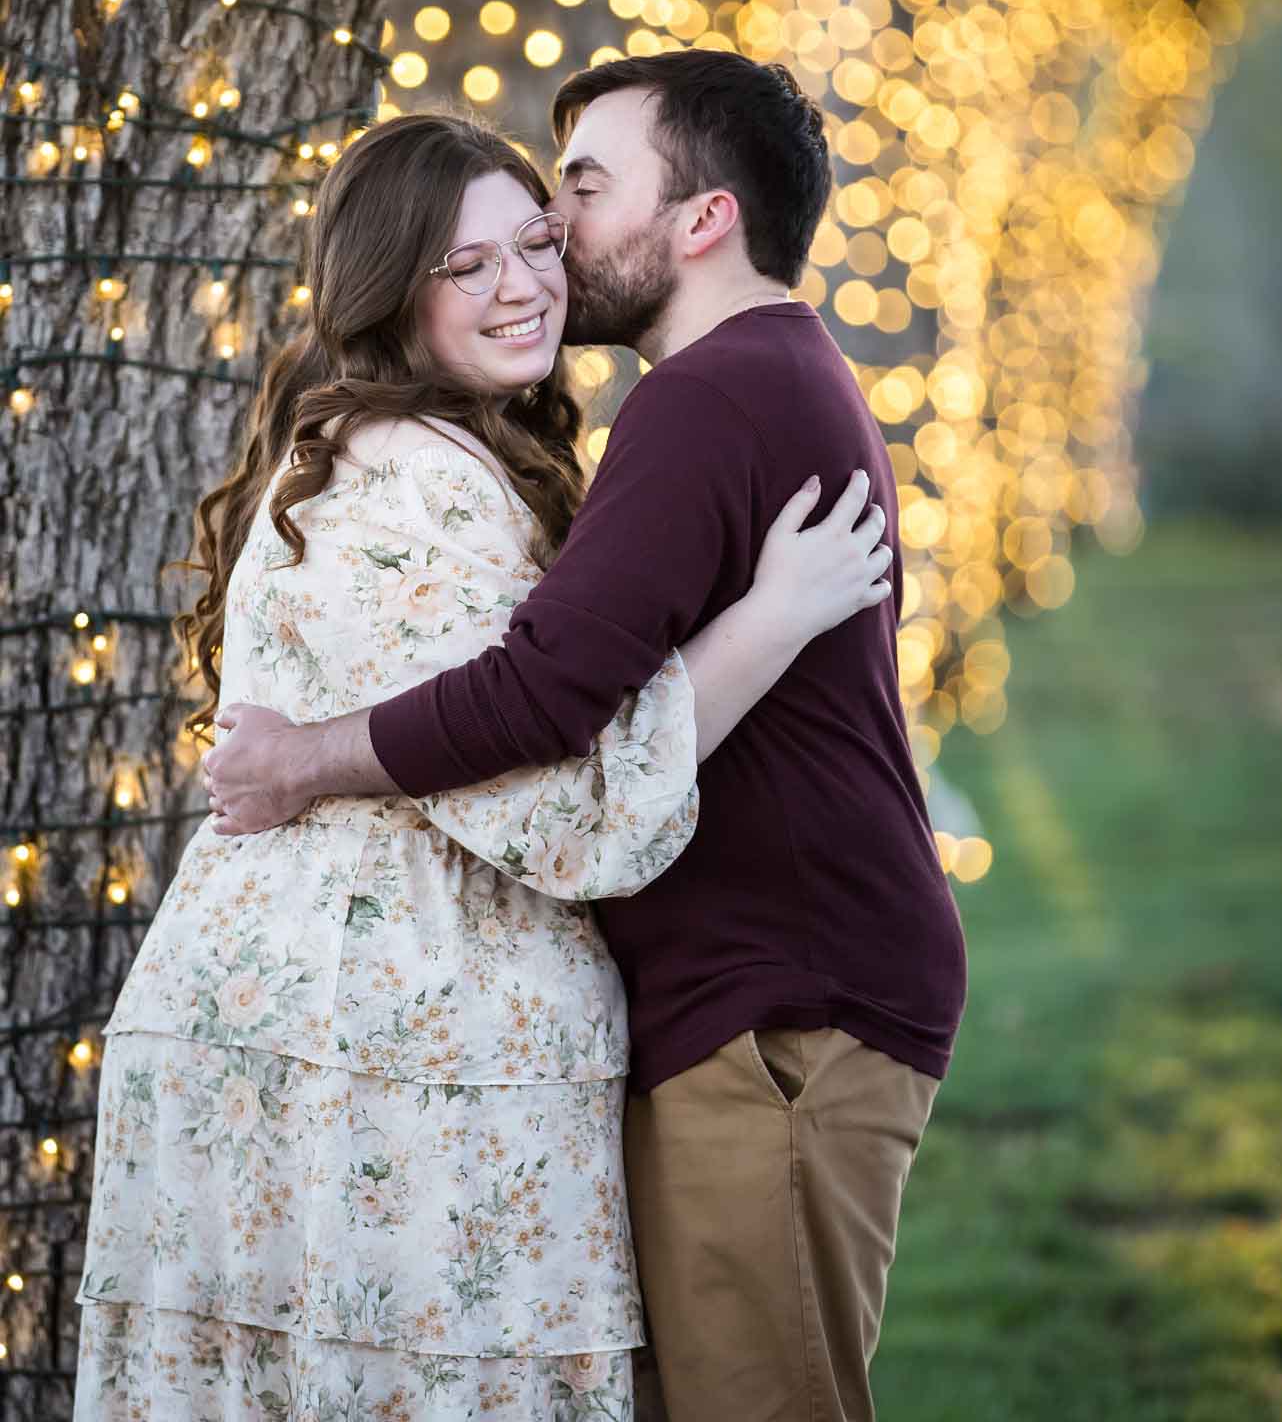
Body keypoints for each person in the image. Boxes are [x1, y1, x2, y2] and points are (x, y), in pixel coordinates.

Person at [73, 112, 893, 1421]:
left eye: (536, 243)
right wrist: (774, 618)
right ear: (389, 287)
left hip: (335, 1008)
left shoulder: (410, 448)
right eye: (467, 265)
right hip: (386, 1033)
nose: (524, 286)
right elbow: (568, 809)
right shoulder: (418, 482)